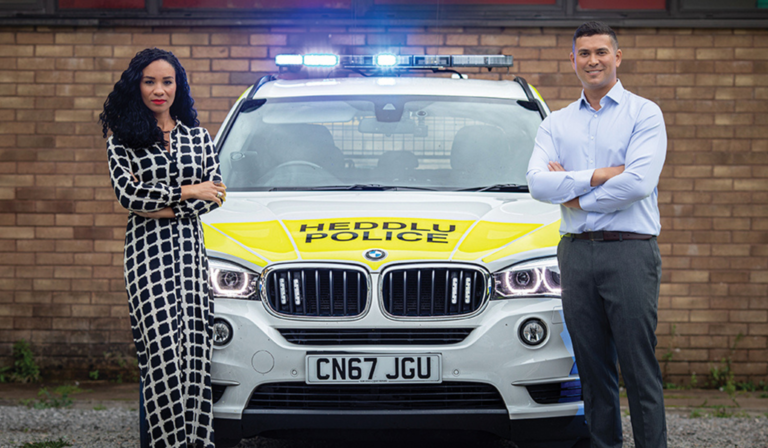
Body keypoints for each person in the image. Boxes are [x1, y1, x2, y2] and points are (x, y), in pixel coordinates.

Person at [526, 22, 668, 448]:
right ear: (572, 60)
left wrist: (574, 194)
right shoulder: (557, 123)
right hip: (575, 254)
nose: (593, 60)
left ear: (617, 57)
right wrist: (602, 175)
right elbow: (536, 184)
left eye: (601, 52)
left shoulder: (644, 113)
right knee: (592, 372)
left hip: (629, 252)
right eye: (584, 53)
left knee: (638, 370)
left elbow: (639, 183)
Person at [99, 48, 226, 448]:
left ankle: (197, 441)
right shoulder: (122, 137)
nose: (159, 90)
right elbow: (130, 195)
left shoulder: (197, 137)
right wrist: (189, 190)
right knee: (162, 354)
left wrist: (164, 203)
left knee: (194, 353)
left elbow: (217, 194)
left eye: (167, 81)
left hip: (190, 254)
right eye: (150, 81)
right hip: (146, 257)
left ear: (178, 86)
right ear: (136, 85)